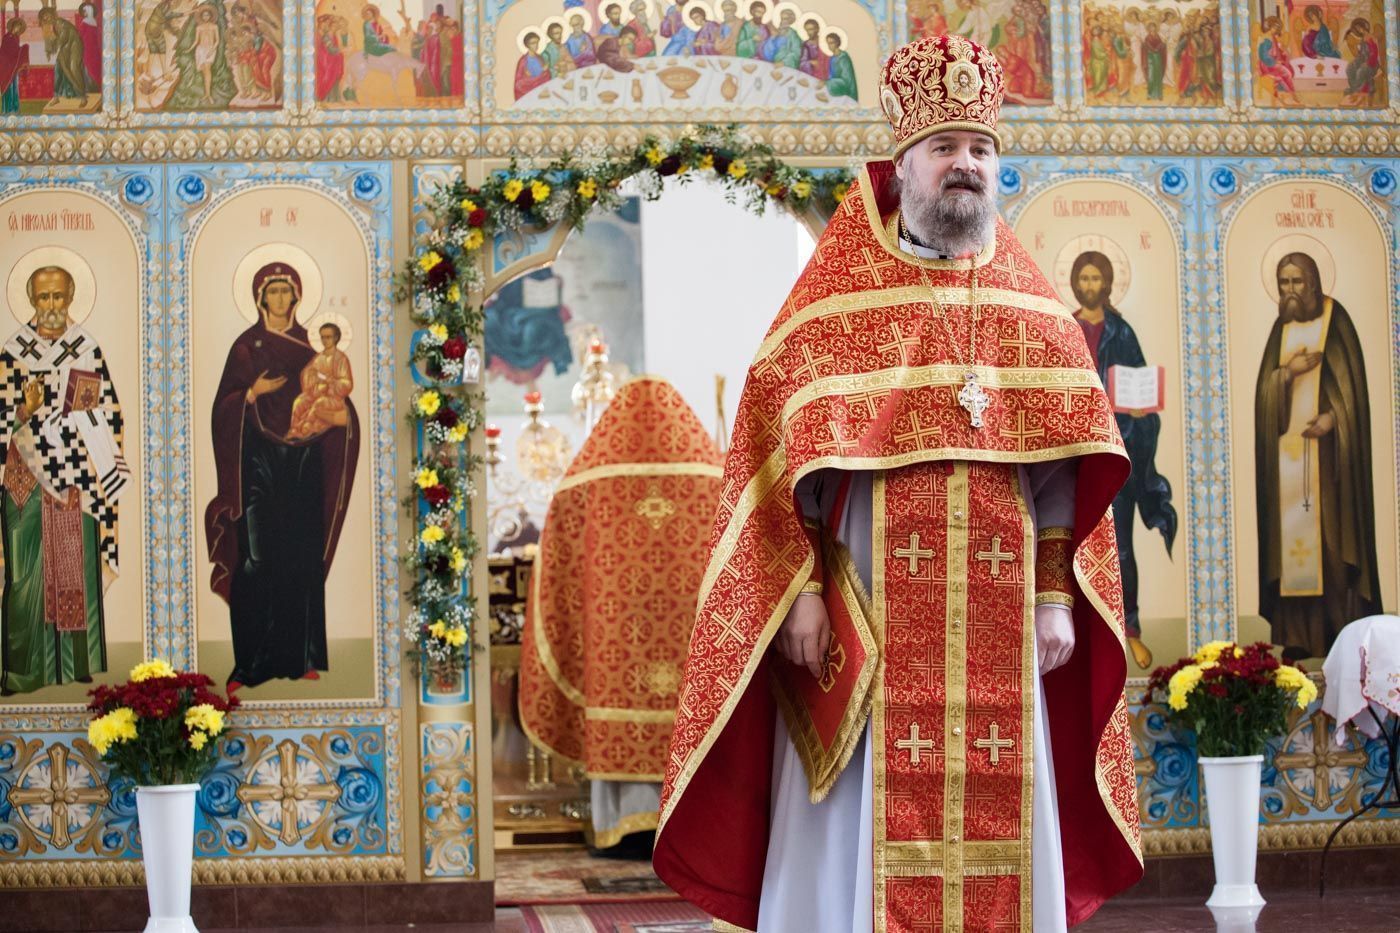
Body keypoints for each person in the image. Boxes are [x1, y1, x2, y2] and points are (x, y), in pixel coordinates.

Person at [654, 34, 1141, 932]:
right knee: (854, 813)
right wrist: (800, 591)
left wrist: (1053, 597)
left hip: (1001, 617)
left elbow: (1062, 470)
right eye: (945, 146)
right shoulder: (835, 298)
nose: (966, 164)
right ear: (905, 162)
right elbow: (779, 461)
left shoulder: (1030, 304)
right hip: (868, 614)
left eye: (981, 148)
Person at [518, 376, 723, 855]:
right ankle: (697, 833)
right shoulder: (717, 481)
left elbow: (558, 571)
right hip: (693, 651)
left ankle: (621, 827)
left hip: (615, 657)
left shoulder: (583, 485)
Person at [205, 262, 359, 693]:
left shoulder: (313, 347)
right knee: (256, 557)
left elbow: (339, 401)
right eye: (271, 291)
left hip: (304, 460)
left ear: (296, 297)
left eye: (285, 291)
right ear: (260, 298)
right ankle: (248, 665)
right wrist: (251, 394)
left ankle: (300, 658)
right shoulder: (245, 348)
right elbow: (223, 408)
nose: (278, 299)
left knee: (301, 555)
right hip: (258, 460)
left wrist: (342, 418)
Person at [0, 265, 130, 695]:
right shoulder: (13, 353)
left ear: (71, 297)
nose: (52, 305)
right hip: (25, 475)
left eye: (59, 296)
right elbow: (2, 414)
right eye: (44, 297)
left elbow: (110, 412)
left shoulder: (86, 349)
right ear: (31, 300)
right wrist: (25, 409)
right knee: (23, 575)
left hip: (74, 471)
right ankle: (21, 670)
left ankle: (74, 663)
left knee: (73, 565)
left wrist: (84, 421)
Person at [1253, 252, 1378, 661]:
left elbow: (1353, 394)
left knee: (1332, 544)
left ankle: (1340, 629)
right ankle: (1299, 636)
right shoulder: (1280, 328)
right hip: (1286, 461)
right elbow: (1264, 396)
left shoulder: (1335, 321)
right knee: (1291, 550)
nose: (1290, 291)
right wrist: (1288, 373)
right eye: (1283, 283)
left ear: (1313, 281)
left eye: (1297, 282)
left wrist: (1332, 419)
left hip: (1329, 463)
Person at [1071, 252, 1175, 670]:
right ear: (1075, 283)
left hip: (1116, 457)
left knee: (1121, 548)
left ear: (1108, 283)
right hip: (1077, 459)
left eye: (1096, 278)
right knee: (1071, 546)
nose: (1090, 285)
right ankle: (1078, 630)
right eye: (1084, 278)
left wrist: (1138, 412)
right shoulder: (1067, 326)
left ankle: (1129, 629)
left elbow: (1140, 387)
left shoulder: (1121, 331)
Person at [287, 323, 354, 441]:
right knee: (299, 401)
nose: (325, 340)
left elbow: (347, 384)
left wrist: (331, 383)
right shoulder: (318, 358)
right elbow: (306, 374)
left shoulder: (341, 359)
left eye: (328, 337)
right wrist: (315, 381)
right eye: (322, 337)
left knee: (320, 403)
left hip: (334, 398)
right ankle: (294, 429)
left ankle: (307, 426)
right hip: (316, 392)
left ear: (336, 338)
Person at [38, 6, 97, 106]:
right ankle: (56, 97)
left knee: (74, 69)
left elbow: (63, 37)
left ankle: (82, 97)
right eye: (45, 17)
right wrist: (49, 50)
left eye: (48, 16)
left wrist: (56, 45)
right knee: (58, 69)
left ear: (52, 15)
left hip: (74, 47)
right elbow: (54, 41)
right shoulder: (52, 26)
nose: (47, 18)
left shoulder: (60, 22)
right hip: (64, 49)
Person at [1258, 14, 1301, 105]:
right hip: (1267, 65)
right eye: (1274, 27)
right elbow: (1263, 56)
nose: (1275, 30)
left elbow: (1276, 51)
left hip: (1273, 63)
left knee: (1288, 69)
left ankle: (1284, 95)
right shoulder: (1265, 39)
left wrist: (1282, 55)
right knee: (1286, 73)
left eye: (1277, 28)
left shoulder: (1272, 37)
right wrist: (1274, 62)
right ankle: (1292, 95)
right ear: (1269, 26)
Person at [513, 30, 550, 98]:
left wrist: (545, 72)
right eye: (533, 43)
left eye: (537, 42)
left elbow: (546, 76)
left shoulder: (540, 58)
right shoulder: (523, 61)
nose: (536, 45)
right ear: (527, 45)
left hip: (542, 90)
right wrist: (532, 79)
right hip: (530, 93)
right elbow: (518, 84)